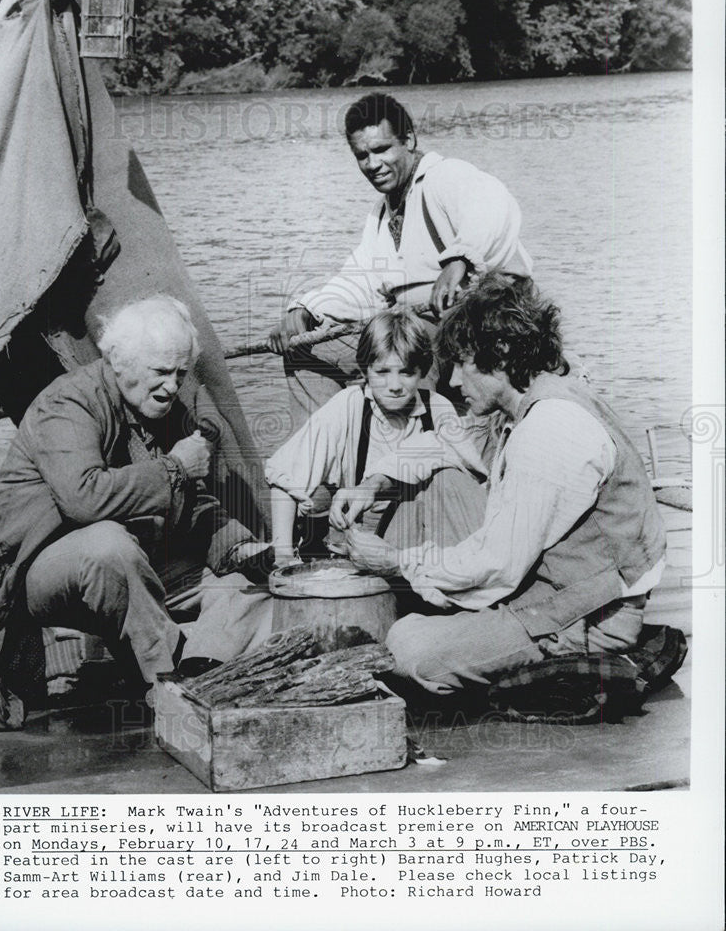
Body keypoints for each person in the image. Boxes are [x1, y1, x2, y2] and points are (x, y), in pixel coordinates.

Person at [330, 276, 667, 694]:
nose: (451, 382)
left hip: (585, 617)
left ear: (500, 354)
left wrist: (398, 562)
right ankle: (459, 623)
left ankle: (585, 662)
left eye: (461, 363)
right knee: (435, 486)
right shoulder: (537, 395)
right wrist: (373, 483)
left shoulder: (549, 432)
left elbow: (498, 563)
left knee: (405, 647)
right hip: (562, 584)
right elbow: (449, 443)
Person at [0, 296, 274, 709]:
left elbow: (191, 498)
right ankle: (165, 680)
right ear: (121, 360)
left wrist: (240, 547)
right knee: (109, 545)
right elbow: (84, 498)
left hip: (130, 561)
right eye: (162, 372)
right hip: (33, 571)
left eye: (181, 373)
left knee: (247, 587)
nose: (172, 385)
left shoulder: (159, 405)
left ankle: (204, 666)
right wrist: (175, 468)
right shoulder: (69, 403)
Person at [267, 92, 533, 426]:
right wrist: (307, 310)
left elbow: (494, 202)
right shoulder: (380, 214)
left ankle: (410, 460)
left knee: (404, 344)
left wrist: (460, 259)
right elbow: (362, 281)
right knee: (306, 351)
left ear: (409, 140)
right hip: (417, 328)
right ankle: (316, 464)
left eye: (381, 150)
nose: (372, 164)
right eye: (361, 155)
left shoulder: (446, 176)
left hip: (483, 318)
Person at [265, 308, 488, 566]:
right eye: (382, 372)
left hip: (423, 541)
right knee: (313, 501)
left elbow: (472, 478)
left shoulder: (437, 409)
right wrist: (282, 553)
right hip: (363, 545)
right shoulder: (349, 405)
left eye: (405, 372)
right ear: (366, 369)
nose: (394, 385)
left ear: (422, 371)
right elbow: (286, 473)